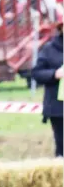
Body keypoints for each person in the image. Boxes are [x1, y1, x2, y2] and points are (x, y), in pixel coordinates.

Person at [31, 17, 63, 157]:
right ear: (60, 28)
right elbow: (36, 73)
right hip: (58, 108)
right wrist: (54, 74)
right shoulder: (49, 49)